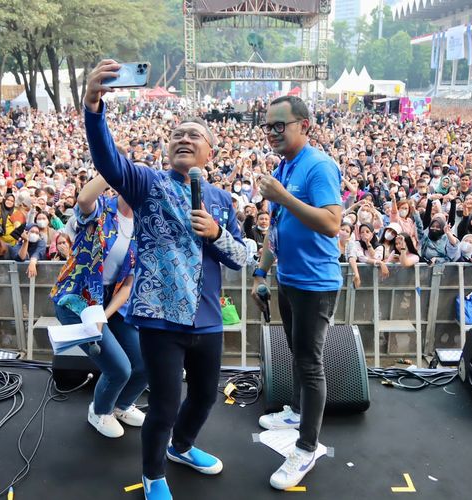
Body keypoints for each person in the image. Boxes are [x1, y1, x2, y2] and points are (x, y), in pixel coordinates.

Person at [83, 59, 246, 500]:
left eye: (194, 135)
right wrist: (93, 107)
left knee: (206, 398)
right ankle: (154, 474)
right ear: (166, 149)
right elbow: (108, 160)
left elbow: (243, 257)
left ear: (210, 152)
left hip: (208, 319)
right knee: (165, 404)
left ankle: (183, 447)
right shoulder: (148, 184)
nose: (184, 139)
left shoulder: (222, 200)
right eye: (177, 135)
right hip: (159, 320)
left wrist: (215, 234)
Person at [250, 95, 343, 490]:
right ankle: (297, 412)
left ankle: (306, 448)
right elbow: (277, 225)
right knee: (296, 352)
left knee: (310, 363)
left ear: (304, 125)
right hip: (288, 278)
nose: (271, 133)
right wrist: (261, 272)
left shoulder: (319, 166)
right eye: (267, 125)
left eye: (279, 125)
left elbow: (332, 223)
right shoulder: (284, 165)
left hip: (314, 284)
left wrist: (283, 196)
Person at [51, 173, 147, 438]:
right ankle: (99, 411)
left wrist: (104, 316)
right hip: (77, 299)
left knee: (146, 363)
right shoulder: (103, 209)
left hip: (109, 302)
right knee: (119, 368)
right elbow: (83, 198)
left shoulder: (141, 227)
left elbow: (128, 284)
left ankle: (121, 405)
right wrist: (110, 168)